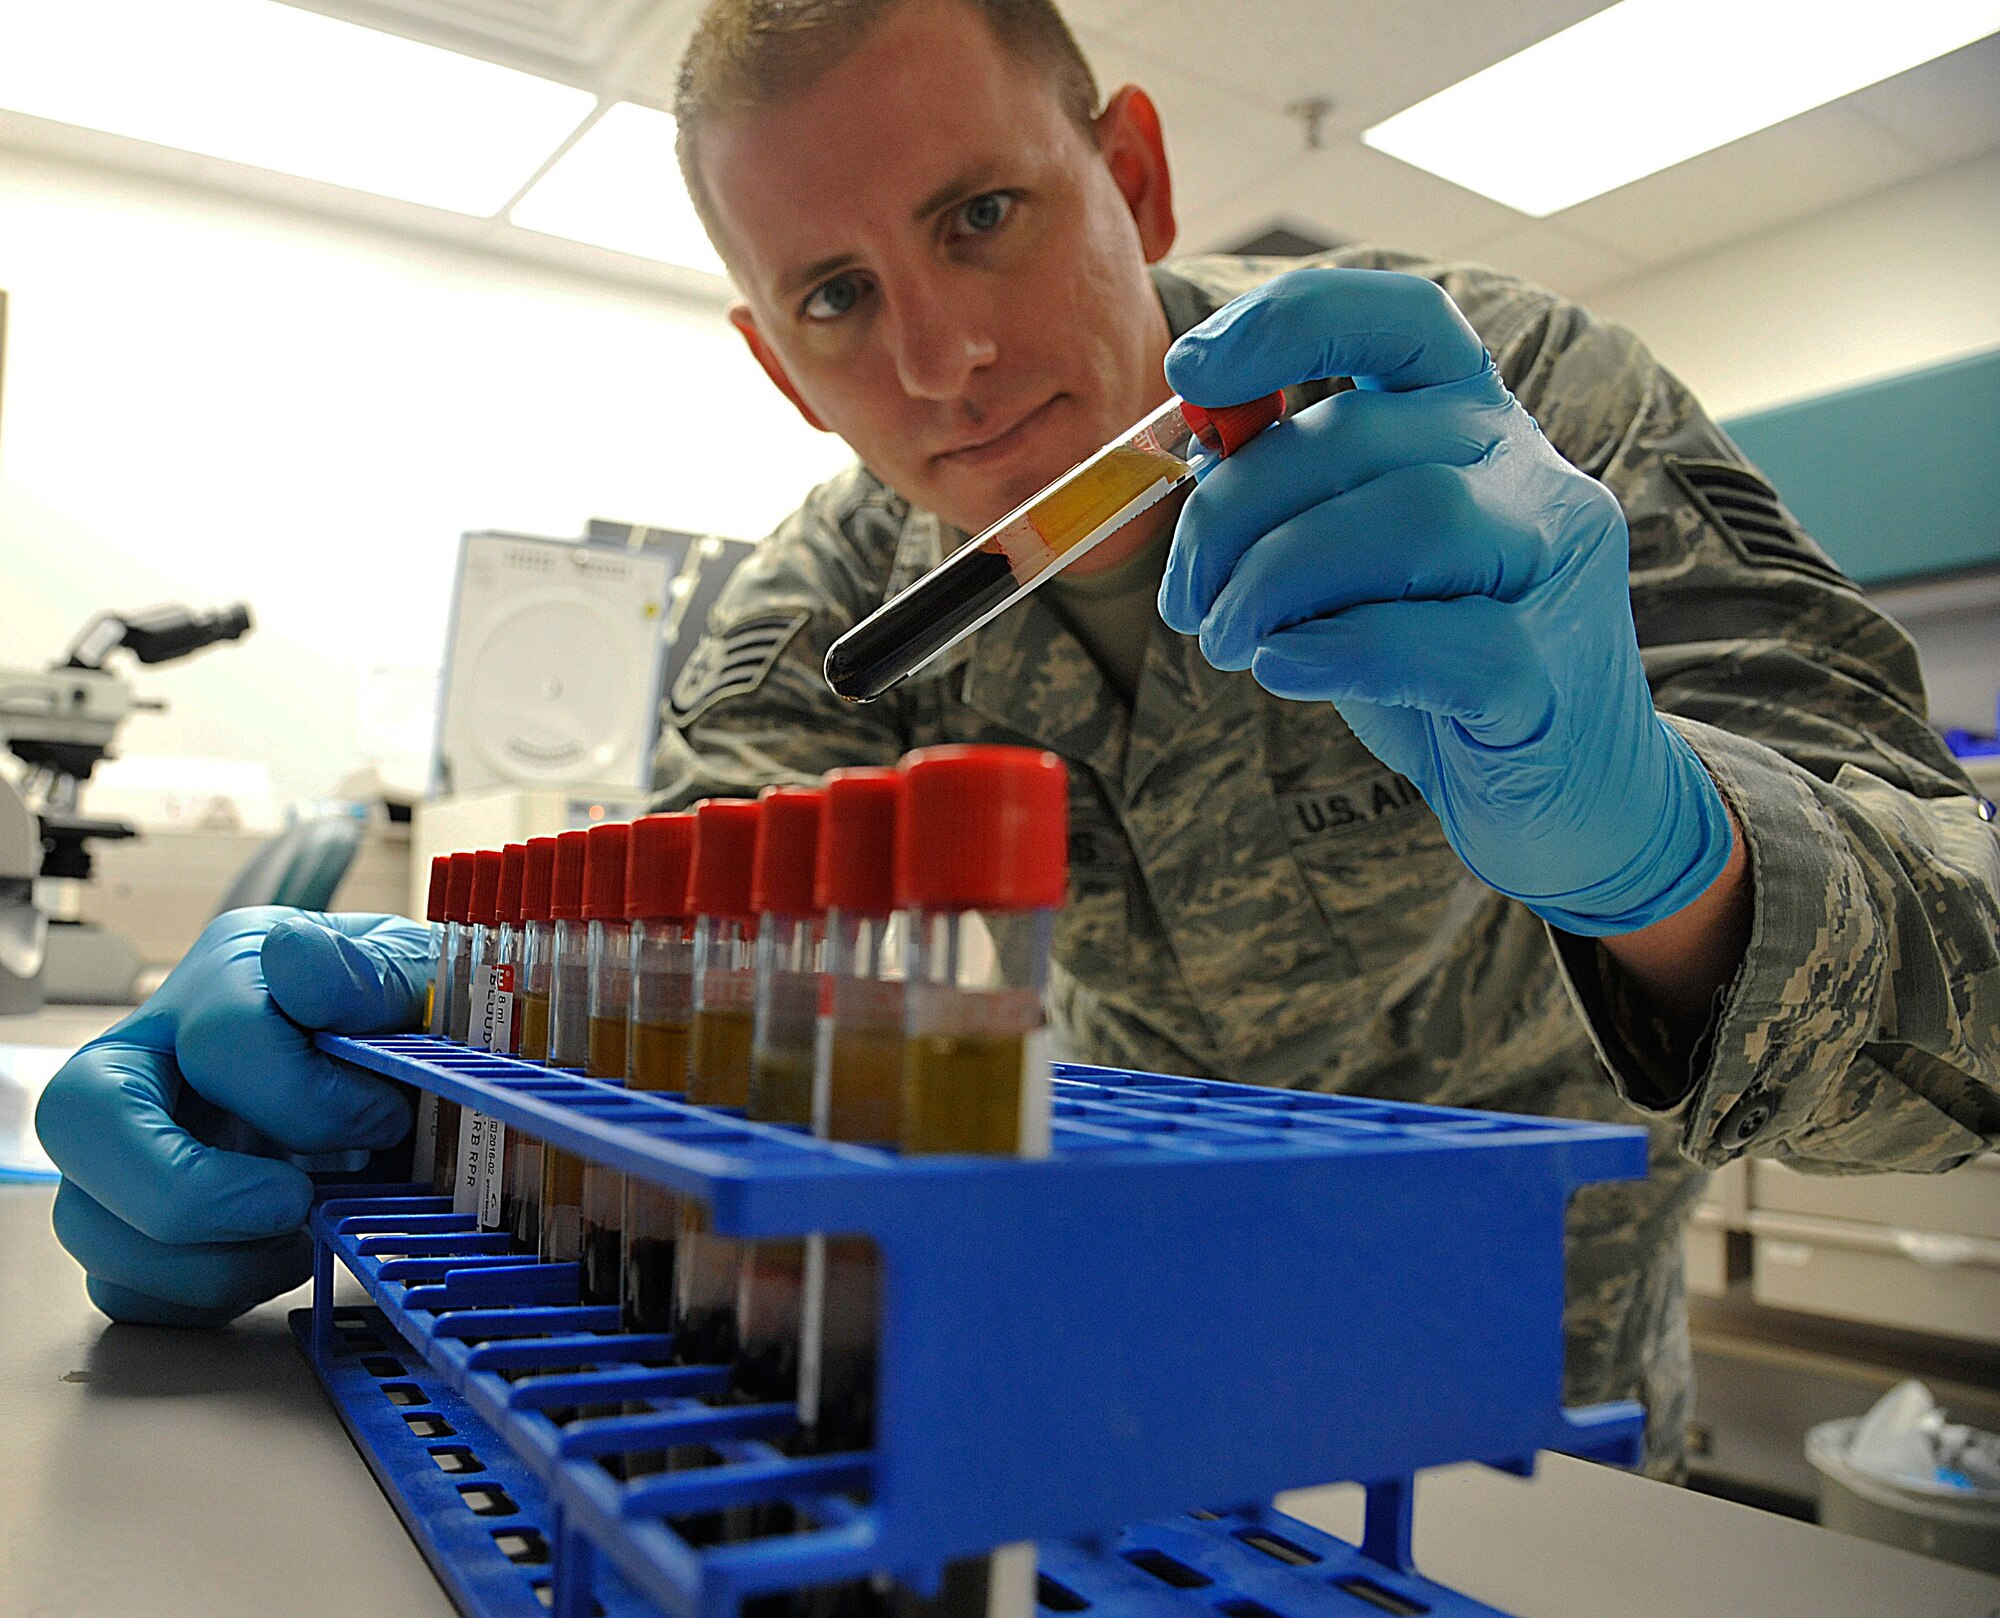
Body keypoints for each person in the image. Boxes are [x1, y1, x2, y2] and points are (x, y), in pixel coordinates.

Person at [36, 0, 2000, 1483]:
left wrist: (1665, 854)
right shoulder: (820, 624)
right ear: (771, 357)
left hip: (1535, 1475)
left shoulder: (1519, 411)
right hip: (1049, 1458)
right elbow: (663, 1032)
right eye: (833, 296)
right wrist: (361, 1087)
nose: (939, 361)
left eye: (982, 214)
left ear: (1130, 180)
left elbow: (1970, 1052)